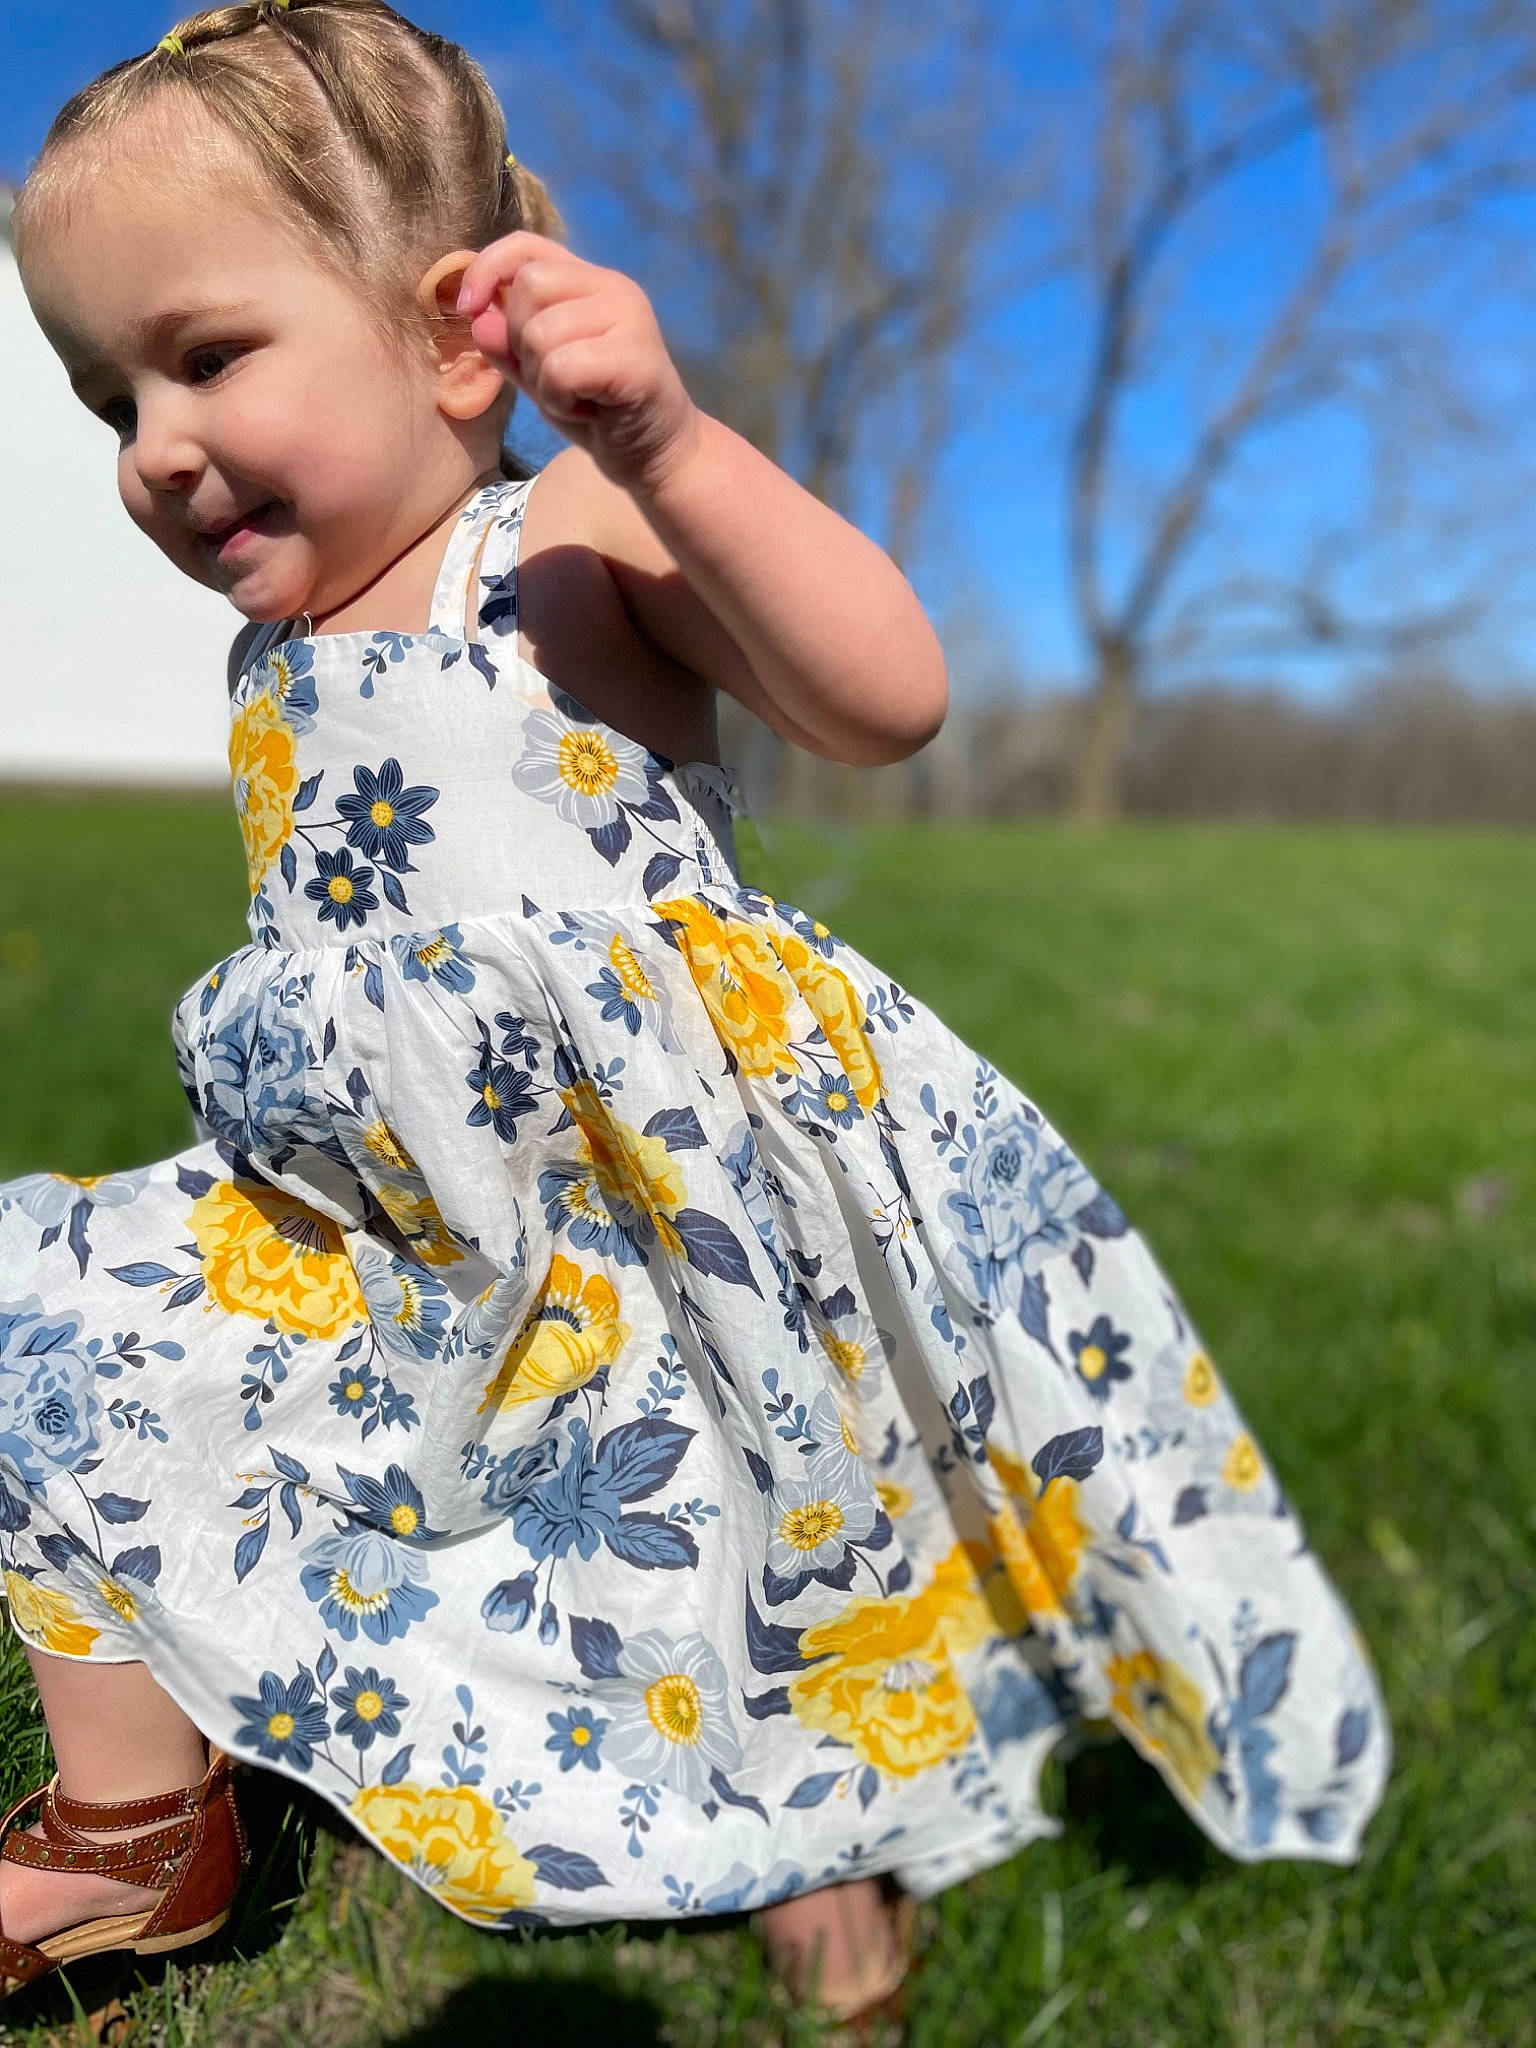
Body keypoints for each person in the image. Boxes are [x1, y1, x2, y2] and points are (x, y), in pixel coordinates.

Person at [0, 0, 1389, 2032]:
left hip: (654, 1209)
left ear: (459, 335)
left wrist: (661, 435)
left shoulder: (558, 536)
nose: (157, 449)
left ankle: (816, 1830)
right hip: (397, 1230)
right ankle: (142, 1821)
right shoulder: (275, 659)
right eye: (107, 395)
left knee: (745, 1535)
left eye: (205, 358)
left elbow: (885, 689)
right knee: (47, 1320)